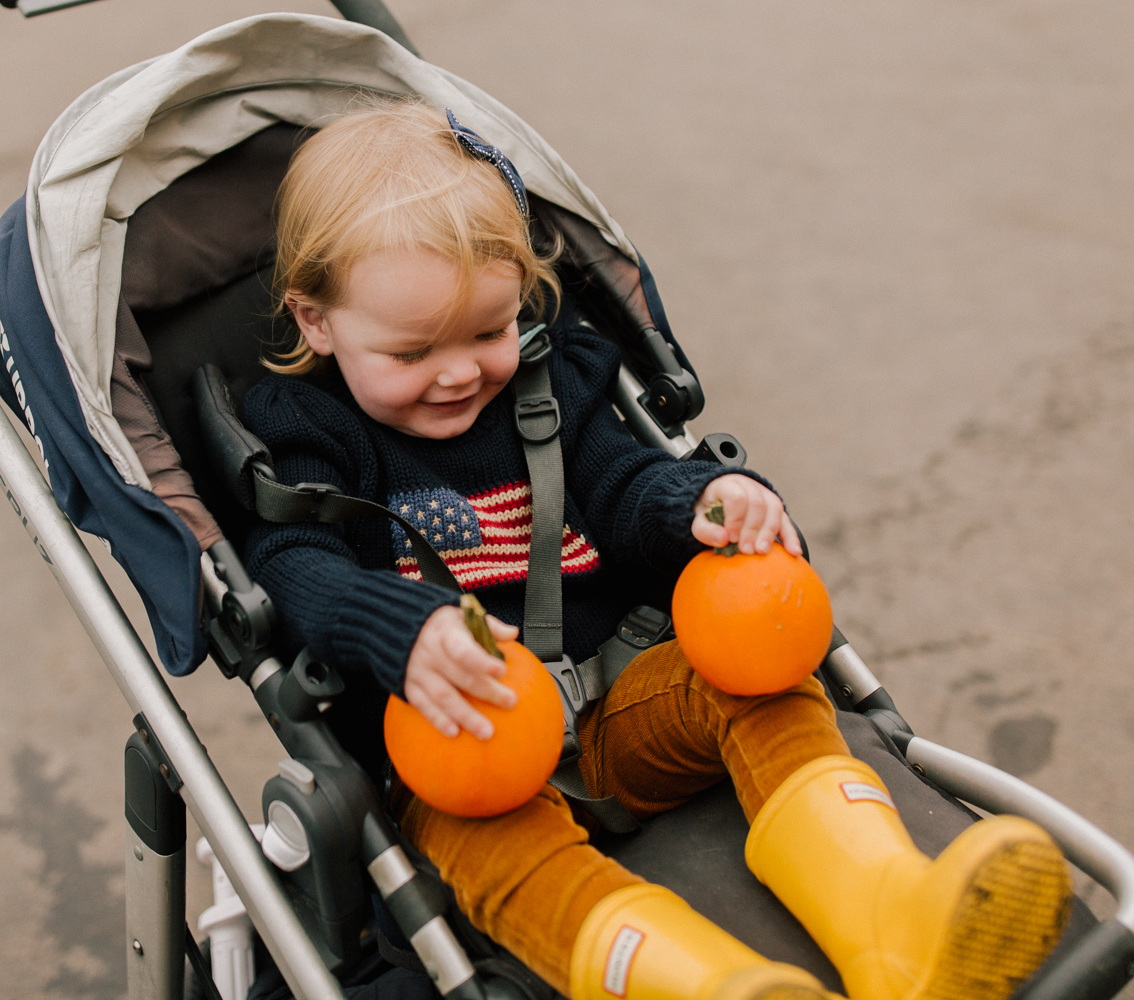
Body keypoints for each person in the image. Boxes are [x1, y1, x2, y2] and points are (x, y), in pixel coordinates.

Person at [241, 101, 1069, 1000]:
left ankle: (892, 909)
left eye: (487, 333)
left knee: (761, 676)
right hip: (462, 767)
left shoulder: (550, 378)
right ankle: (703, 985)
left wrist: (702, 503)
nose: (458, 373)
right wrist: (400, 628)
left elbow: (623, 486)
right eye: (410, 351)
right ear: (316, 322)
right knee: (497, 848)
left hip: (625, 706)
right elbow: (293, 567)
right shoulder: (309, 436)